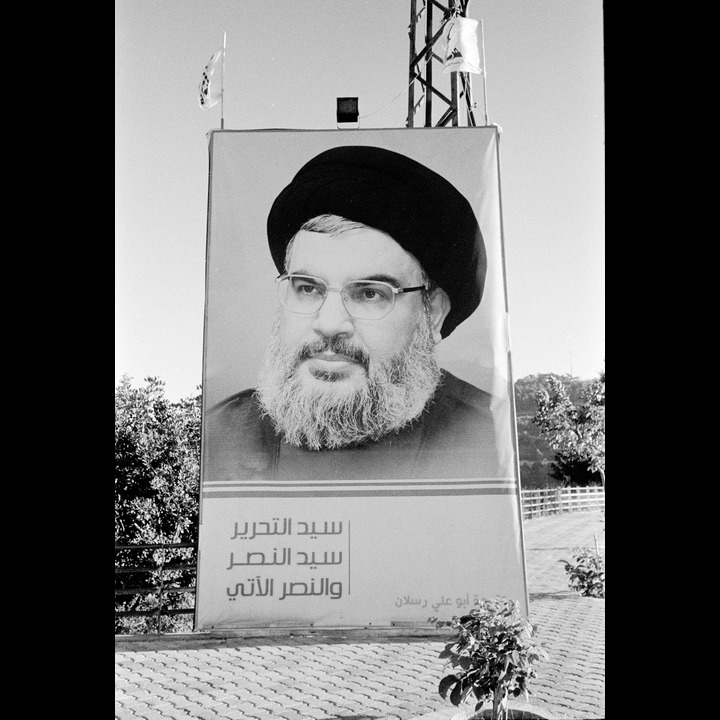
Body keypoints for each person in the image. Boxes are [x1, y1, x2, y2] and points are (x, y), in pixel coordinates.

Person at [204, 145, 501, 481]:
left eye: (369, 294)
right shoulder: (223, 435)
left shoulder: (486, 439)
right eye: (308, 288)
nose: (329, 324)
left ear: (433, 313)